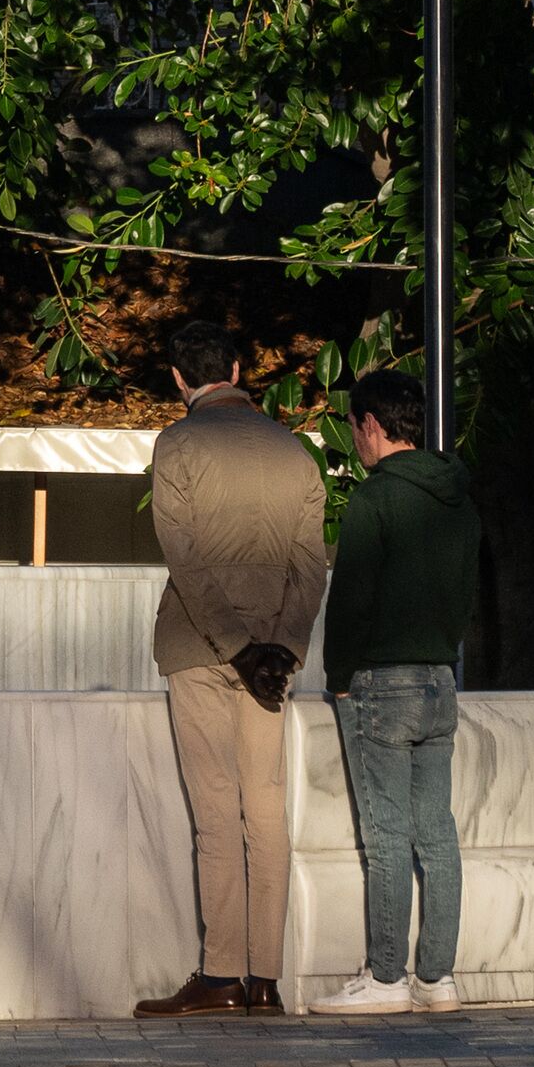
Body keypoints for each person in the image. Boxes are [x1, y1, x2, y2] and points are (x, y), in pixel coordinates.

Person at [135, 322, 332, 1018]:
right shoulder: (293, 450)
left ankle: (220, 975)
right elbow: (311, 567)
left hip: (200, 646)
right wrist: (282, 648)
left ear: (178, 379)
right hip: (271, 657)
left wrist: (236, 645)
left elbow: (183, 557)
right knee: (266, 810)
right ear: (240, 369)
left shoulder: (178, 444)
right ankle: (266, 980)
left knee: (216, 811)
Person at [311, 368, 480, 1014]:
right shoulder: (458, 498)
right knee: (437, 834)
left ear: (372, 425)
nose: (355, 441)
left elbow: (350, 602)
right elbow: (464, 598)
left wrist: (338, 681)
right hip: (440, 678)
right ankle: (438, 979)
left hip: (382, 683)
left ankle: (386, 978)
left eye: (355, 428)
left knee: (386, 835)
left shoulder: (375, 499)